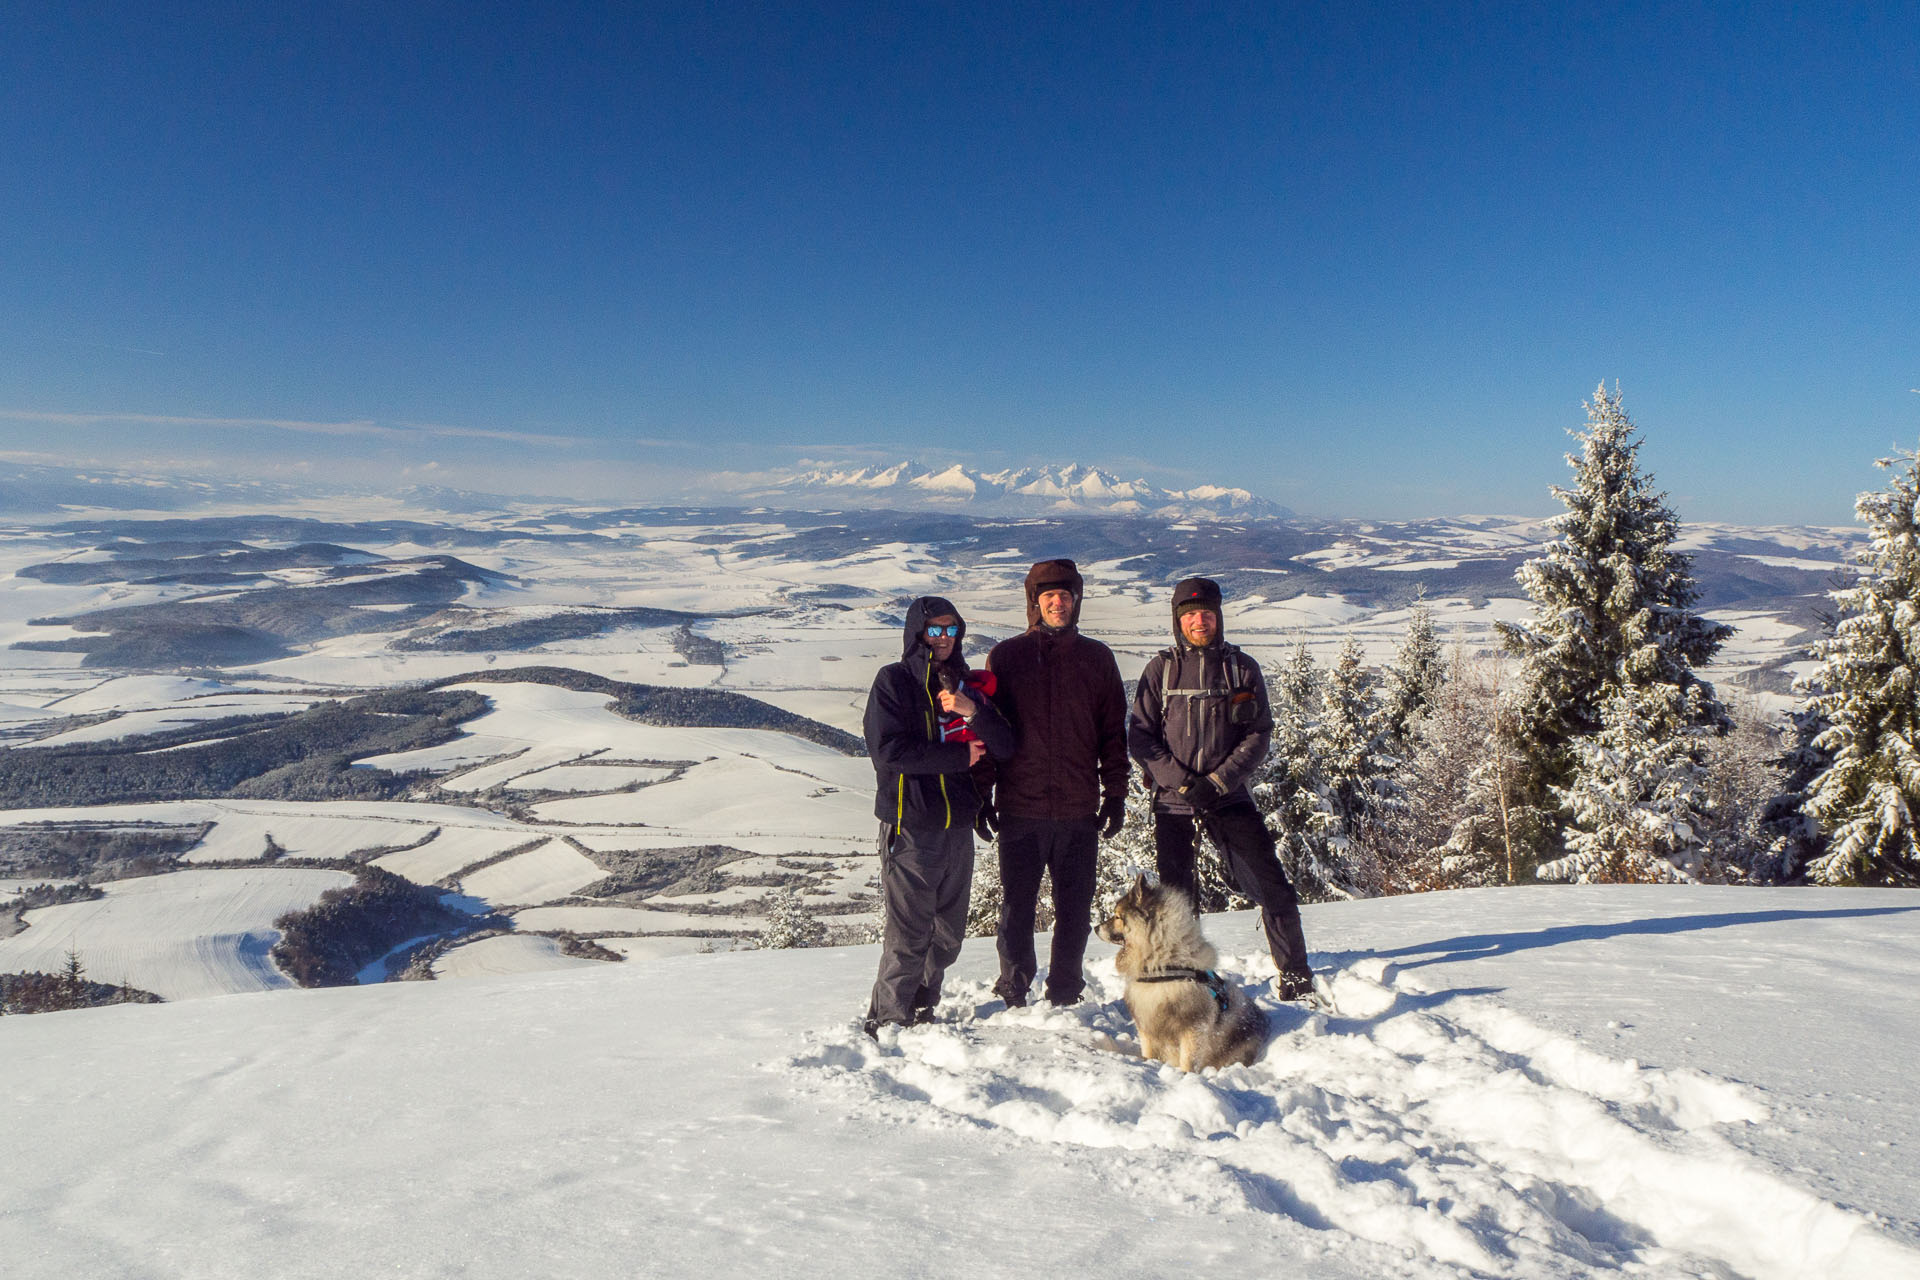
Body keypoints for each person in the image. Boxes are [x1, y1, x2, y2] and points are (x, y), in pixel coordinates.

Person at [1127, 576, 1315, 1000]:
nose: (1199, 621)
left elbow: (1258, 734)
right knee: (1178, 901)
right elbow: (1140, 736)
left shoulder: (1240, 667)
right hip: (1174, 803)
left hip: (1228, 797)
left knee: (1272, 885)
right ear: (1178, 621)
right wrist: (1180, 781)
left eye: (1206, 613)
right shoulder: (1161, 668)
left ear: (1218, 617)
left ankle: (1297, 974)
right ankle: (1186, 981)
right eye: (1190, 614)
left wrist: (1216, 782)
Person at [979, 559, 1129, 1007]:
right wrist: (981, 795)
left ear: (1077, 600)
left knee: (1073, 911)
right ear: (1034, 603)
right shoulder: (1007, 657)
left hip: (1078, 809)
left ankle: (1065, 990)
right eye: (1048, 597)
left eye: (1065, 596)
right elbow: (987, 731)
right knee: (1016, 909)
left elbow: (1112, 733)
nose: (1057, 603)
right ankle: (1014, 986)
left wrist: (1115, 793)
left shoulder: (1097, 658)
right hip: (1020, 807)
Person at [862, 595, 1014, 1035]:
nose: (944, 638)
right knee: (909, 934)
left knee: (948, 934)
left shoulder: (965, 684)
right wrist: (956, 756)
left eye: (951, 630)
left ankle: (924, 1001)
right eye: (935, 629)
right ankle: (890, 1018)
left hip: (956, 827)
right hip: (911, 825)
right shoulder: (894, 682)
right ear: (917, 633)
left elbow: (1003, 746)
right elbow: (887, 751)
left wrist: (975, 713)